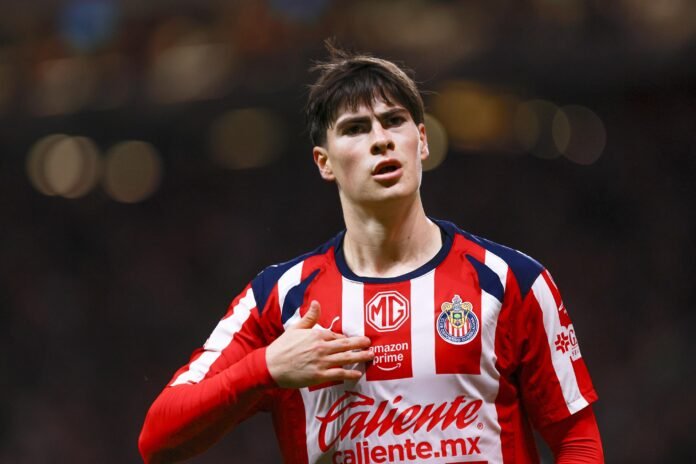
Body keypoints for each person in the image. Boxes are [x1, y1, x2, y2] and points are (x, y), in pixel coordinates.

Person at [139, 44, 603, 463]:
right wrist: (267, 369)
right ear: (324, 162)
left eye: (394, 121)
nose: (381, 139)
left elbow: (576, 440)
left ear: (422, 140)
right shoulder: (279, 299)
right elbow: (157, 438)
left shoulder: (511, 281)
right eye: (356, 129)